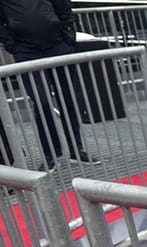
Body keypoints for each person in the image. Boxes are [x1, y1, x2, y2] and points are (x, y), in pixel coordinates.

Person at [0, 0, 100, 171]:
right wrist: (11, 45)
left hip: (58, 45)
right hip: (26, 50)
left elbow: (63, 7)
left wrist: (68, 37)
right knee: (42, 103)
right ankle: (51, 155)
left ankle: (76, 150)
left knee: (67, 99)